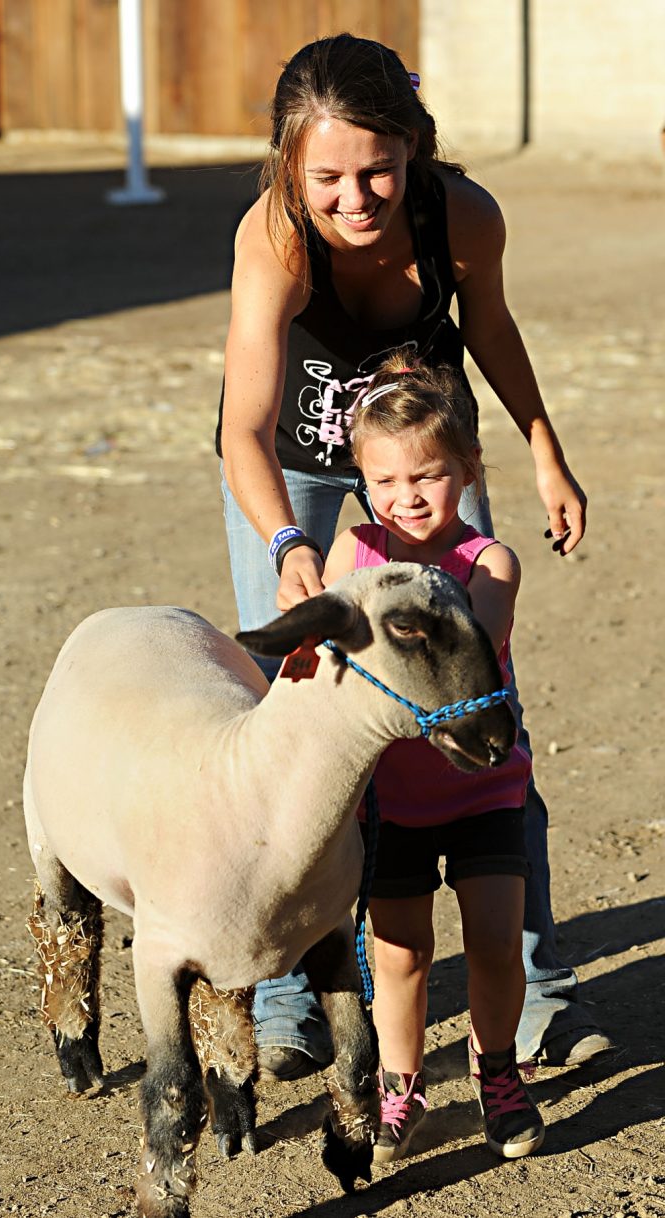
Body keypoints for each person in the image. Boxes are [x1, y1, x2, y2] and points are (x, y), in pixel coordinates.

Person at [216, 32, 612, 1080]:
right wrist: (289, 544)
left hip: (426, 462)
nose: (356, 199)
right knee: (291, 714)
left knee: (480, 694)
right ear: (291, 167)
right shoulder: (275, 236)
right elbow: (242, 427)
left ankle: (539, 992)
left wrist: (545, 450)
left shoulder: (462, 216)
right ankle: (290, 992)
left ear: (414, 147)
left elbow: (492, 329)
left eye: (379, 171)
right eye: (328, 178)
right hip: (296, 471)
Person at [323, 354, 543, 1161]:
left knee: (496, 941)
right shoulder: (352, 552)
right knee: (401, 956)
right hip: (390, 798)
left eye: (427, 475)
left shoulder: (490, 562)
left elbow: (467, 648)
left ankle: (498, 1074)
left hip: (484, 783)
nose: (406, 496)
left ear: (469, 470)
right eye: (383, 480)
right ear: (361, 480)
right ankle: (400, 1088)